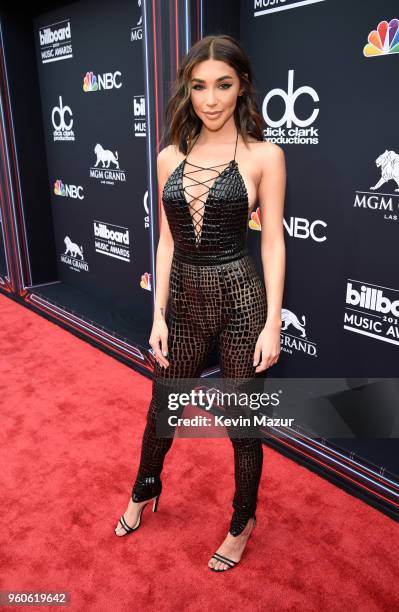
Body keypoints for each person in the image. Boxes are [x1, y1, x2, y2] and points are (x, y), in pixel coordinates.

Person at [115, 34, 286, 572]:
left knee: (241, 422)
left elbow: (274, 241)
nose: (210, 100)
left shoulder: (265, 155)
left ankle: (243, 518)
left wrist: (272, 324)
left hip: (241, 299)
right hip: (184, 301)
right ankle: (145, 489)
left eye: (223, 85)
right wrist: (158, 313)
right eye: (199, 87)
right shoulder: (169, 156)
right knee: (162, 409)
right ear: (187, 91)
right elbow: (166, 242)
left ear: (242, 89)